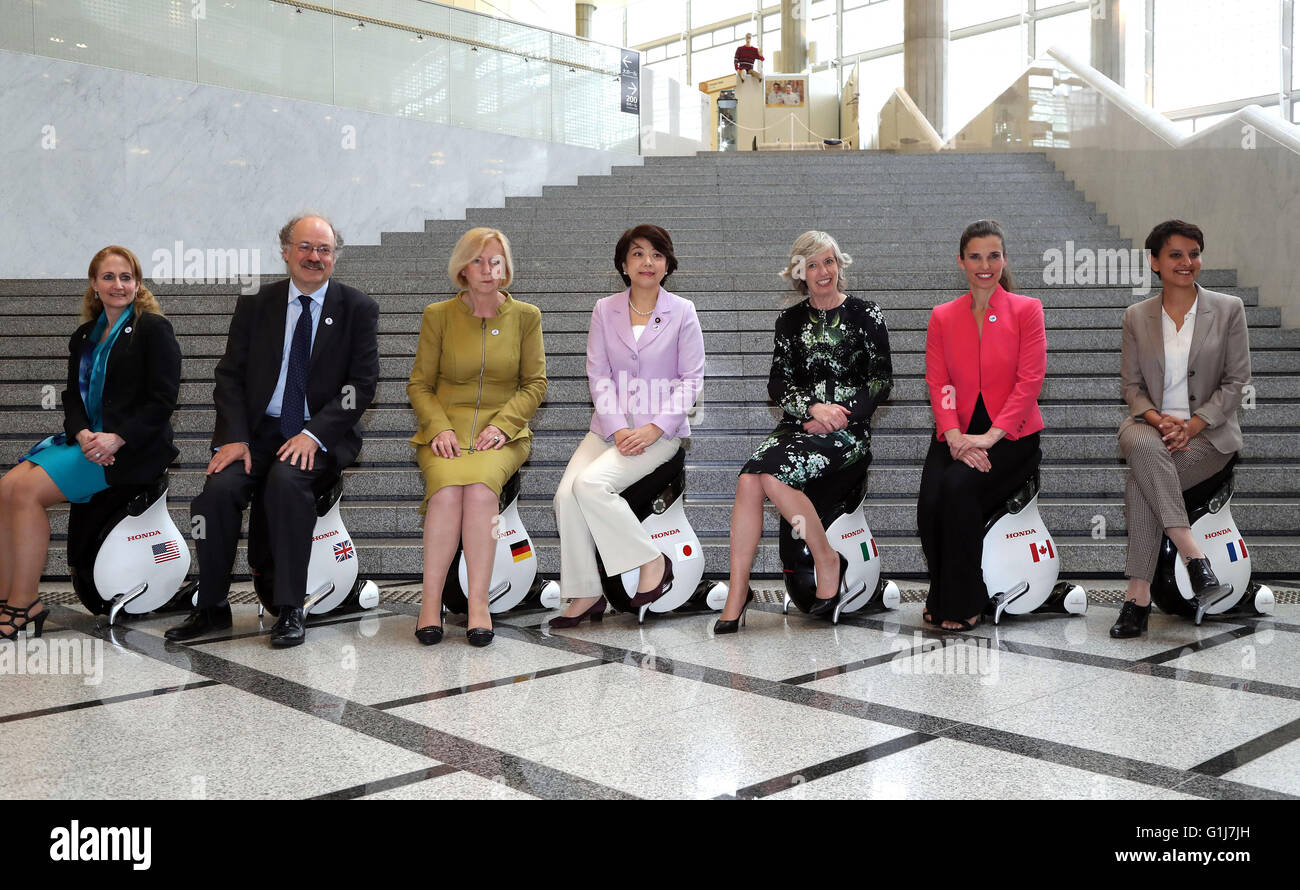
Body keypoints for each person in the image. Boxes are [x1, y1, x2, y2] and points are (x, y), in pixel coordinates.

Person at [165, 214, 379, 648]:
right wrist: (235, 437)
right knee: (215, 496)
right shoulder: (256, 304)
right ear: (285, 251)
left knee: (286, 483)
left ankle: (289, 607)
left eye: (324, 249)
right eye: (305, 247)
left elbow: (360, 387)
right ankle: (211, 605)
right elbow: (229, 377)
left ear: (335, 256)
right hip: (257, 434)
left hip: (317, 434)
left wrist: (314, 434)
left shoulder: (357, 308)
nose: (314, 257)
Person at [715, 231, 892, 633]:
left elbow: (881, 382)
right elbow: (778, 385)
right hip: (799, 425)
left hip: (848, 432)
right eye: (812, 265)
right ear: (800, 274)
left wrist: (839, 416)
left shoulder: (867, 314)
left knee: (771, 476)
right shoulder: (789, 321)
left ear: (839, 265)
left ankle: (826, 559)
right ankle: (738, 590)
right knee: (748, 478)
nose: (822, 271)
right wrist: (813, 408)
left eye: (828, 262)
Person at [0, 246, 181, 640]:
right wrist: (82, 433)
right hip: (86, 442)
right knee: (6, 488)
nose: (118, 285)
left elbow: (163, 400)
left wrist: (116, 438)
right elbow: (71, 399)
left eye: (126, 277)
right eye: (109, 277)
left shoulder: (152, 328)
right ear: (94, 285)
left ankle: (25, 603)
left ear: (137, 283)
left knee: (27, 493)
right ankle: (4, 596)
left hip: (130, 449)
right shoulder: (85, 335)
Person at [548, 225, 705, 628]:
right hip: (608, 430)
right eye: (637, 254)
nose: (647, 262)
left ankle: (654, 561)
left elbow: (691, 379)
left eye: (656, 254)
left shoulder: (683, 311)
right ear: (623, 264)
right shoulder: (605, 309)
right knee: (566, 495)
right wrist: (618, 427)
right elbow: (598, 374)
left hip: (660, 433)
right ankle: (586, 592)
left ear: (667, 264)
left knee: (590, 486)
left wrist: (654, 427)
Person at [1110, 220, 1250, 638]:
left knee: (1141, 482)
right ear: (1155, 262)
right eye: (1175, 254)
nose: (1187, 262)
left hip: (1209, 434)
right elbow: (1132, 389)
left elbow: (1235, 381)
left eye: (1194, 253)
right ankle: (1195, 559)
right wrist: (1160, 420)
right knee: (1145, 447)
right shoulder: (1137, 316)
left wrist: (1191, 425)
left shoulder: (1228, 310)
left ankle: (1137, 599)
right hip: (1147, 426)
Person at [408, 228, 546, 647]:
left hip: (502, 434)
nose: (488, 270)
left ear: (506, 269)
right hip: (444, 432)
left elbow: (535, 384)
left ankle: (479, 604)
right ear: (462, 269)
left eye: (496, 261)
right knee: (448, 492)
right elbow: (419, 385)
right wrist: (439, 428)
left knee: (482, 492)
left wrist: (502, 426)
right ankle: (429, 604)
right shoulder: (438, 315)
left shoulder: (526, 316)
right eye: (478, 261)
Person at [918, 220, 1046, 632]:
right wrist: (955, 437)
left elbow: (1030, 381)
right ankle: (941, 592)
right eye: (975, 256)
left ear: (1004, 259)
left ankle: (965, 600)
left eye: (993, 255)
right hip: (956, 434)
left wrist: (991, 437)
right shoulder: (943, 316)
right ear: (961, 261)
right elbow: (939, 383)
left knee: (958, 488)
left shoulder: (1027, 310)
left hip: (1012, 437)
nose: (985, 264)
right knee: (930, 502)